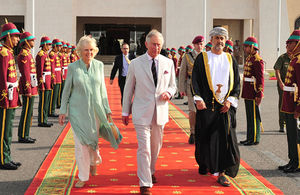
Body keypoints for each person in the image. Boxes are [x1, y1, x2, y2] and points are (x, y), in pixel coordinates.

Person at [59, 35, 122, 188]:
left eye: (91, 50)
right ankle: (83, 175)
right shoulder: (73, 67)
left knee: (92, 140)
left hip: (96, 110)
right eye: (85, 50)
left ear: (95, 51)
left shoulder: (99, 66)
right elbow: (66, 90)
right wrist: (62, 110)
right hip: (77, 112)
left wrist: (107, 109)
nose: (89, 53)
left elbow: (102, 90)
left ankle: (94, 161)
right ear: (80, 51)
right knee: (81, 144)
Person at [122, 29, 176, 195]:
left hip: (160, 111)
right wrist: (125, 111)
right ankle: (144, 183)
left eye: (159, 45)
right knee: (144, 148)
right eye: (154, 44)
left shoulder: (168, 63)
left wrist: (169, 93)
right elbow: (128, 89)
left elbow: (173, 85)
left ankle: (151, 170)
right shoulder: (136, 64)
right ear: (146, 44)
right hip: (141, 112)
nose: (157, 47)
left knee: (155, 146)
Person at [191, 27, 240, 187]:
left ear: (225, 41)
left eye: (222, 38)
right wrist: (198, 98)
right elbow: (195, 81)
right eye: (217, 38)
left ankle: (222, 172)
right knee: (204, 137)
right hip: (207, 107)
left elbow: (237, 85)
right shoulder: (202, 58)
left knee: (224, 140)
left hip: (224, 108)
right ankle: (205, 163)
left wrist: (230, 101)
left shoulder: (230, 59)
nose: (219, 41)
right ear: (211, 40)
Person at [0, 21, 22, 170]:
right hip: (6, 98)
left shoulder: (8, 52)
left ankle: (7, 156)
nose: (17, 40)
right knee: (3, 130)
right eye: (15, 37)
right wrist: (4, 99)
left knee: (8, 130)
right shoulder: (3, 53)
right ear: (7, 37)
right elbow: (2, 78)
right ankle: (3, 160)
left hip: (12, 95)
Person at [279, 29, 300, 173]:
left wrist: (298, 107)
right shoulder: (294, 59)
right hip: (288, 103)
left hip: (295, 104)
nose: (288, 45)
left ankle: (297, 162)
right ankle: (292, 160)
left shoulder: (299, 61)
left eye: (291, 42)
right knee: (291, 134)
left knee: (296, 135)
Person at [178, 35, 204, 144]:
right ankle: (192, 132)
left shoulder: (206, 55)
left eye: (201, 44)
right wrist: (181, 88)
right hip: (191, 86)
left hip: (203, 87)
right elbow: (182, 72)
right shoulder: (187, 56)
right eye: (197, 44)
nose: (199, 46)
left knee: (202, 111)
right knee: (193, 110)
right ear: (194, 45)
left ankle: (201, 133)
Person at [240, 37, 264, 146]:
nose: (244, 48)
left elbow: (260, 78)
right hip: (248, 90)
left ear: (252, 47)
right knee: (249, 116)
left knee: (254, 116)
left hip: (254, 91)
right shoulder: (250, 58)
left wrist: (259, 93)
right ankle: (249, 137)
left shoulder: (257, 60)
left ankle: (254, 138)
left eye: (246, 46)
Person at [17, 31, 38, 143]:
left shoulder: (28, 53)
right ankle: (23, 135)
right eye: (31, 40)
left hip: (32, 85)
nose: (33, 42)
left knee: (29, 112)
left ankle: (26, 134)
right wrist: (28, 89)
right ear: (25, 42)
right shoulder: (24, 55)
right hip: (28, 87)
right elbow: (25, 74)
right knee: (26, 112)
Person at [36, 36, 53, 127]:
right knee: (43, 102)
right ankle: (41, 121)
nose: (50, 46)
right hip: (44, 81)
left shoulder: (45, 54)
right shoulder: (41, 55)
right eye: (49, 44)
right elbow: (40, 71)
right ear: (45, 44)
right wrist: (41, 84)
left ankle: (45, 119)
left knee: (46, 102)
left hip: (48, 81)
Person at [273, 47, 291, 132]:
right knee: (283, 103)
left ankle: (292, 123)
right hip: (283, 85)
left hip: (293, 86)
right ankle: (282, 124)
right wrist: (280, 82)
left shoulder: (296, 57)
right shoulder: (282, 58)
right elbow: (277, 70)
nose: (289, 48)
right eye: (288, 46)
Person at [48, 39, 63, 117]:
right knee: (53, 96)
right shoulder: (52, 54)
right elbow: (52, 67)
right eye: (59, 46)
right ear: (55, 46)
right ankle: (51, 111)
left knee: (56, 94)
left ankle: (52, 110)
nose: (60, 47)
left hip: (58, 76)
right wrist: (53, 78)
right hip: (55, 77)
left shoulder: (56, 54)